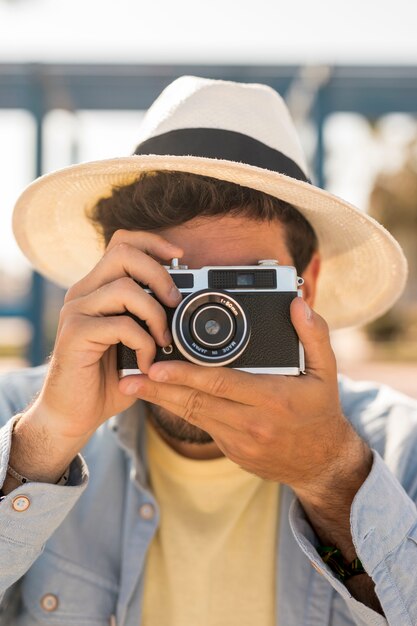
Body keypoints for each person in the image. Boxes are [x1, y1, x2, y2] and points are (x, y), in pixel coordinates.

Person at [0, 75, 416, 626]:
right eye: (171, 286)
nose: (208, 326)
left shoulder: (397, 446)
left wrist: (335, 480)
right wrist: (41, 446)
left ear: (304, 287)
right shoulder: (20, 416)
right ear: (109, 279)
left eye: (239, 287)